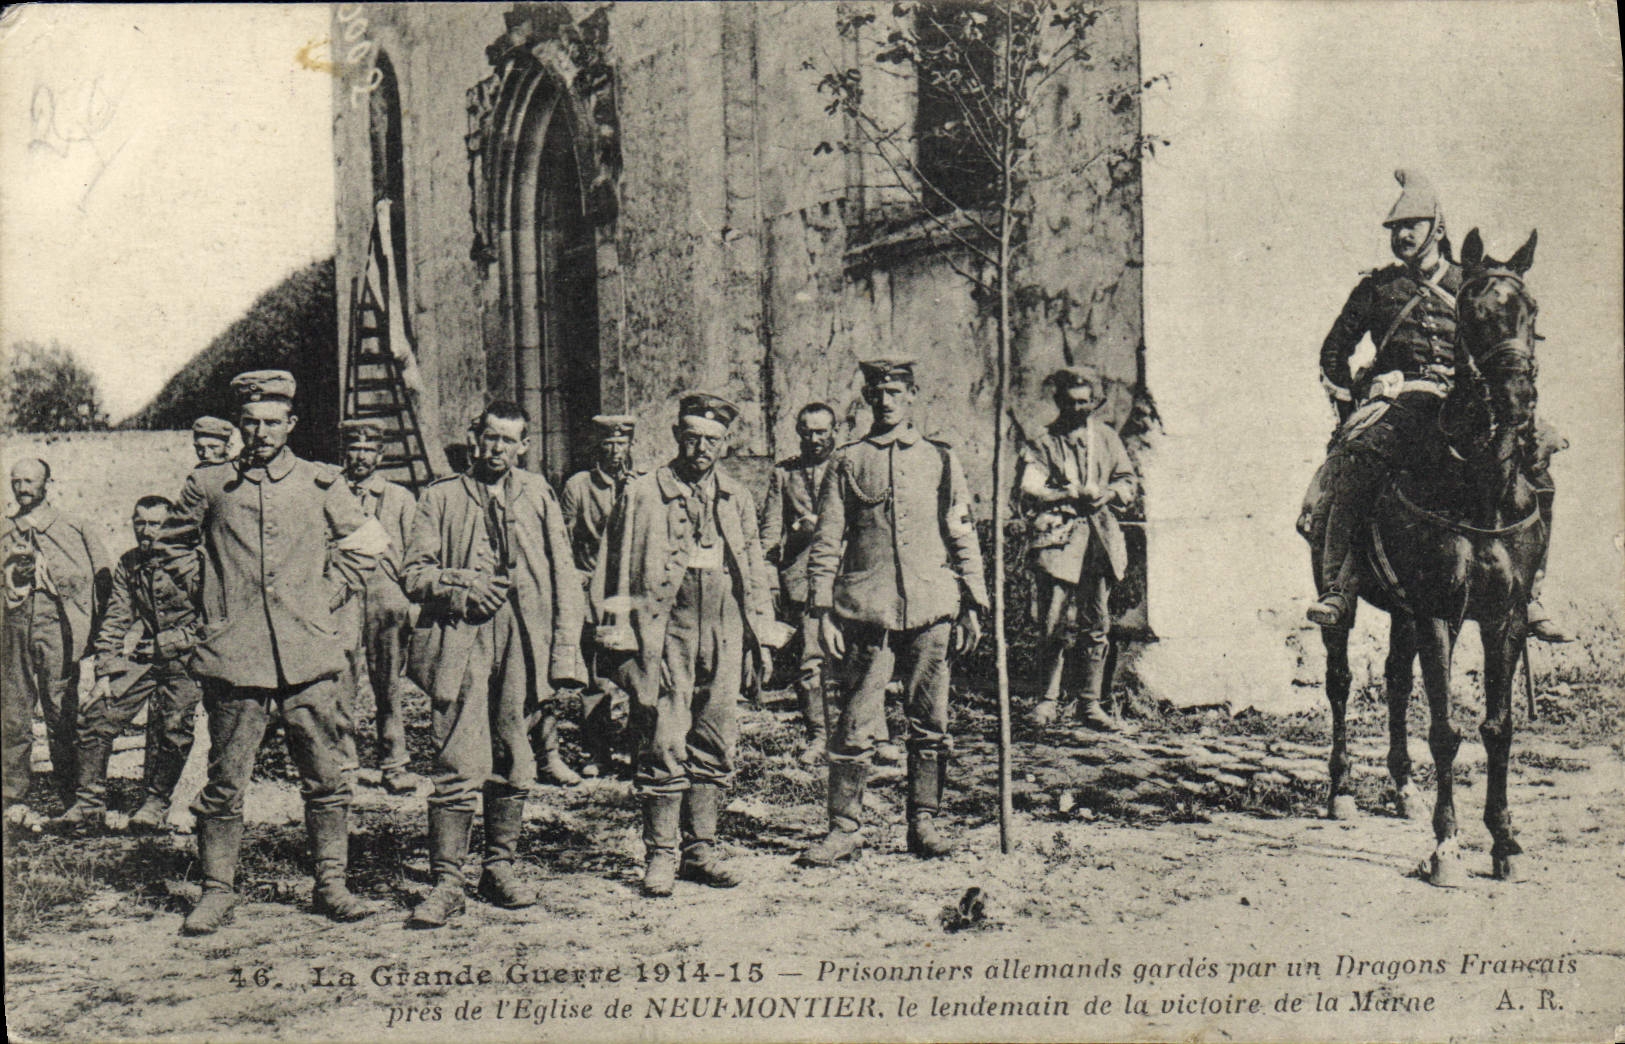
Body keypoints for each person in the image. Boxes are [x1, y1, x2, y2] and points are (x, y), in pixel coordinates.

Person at [165, 370, 390, 935]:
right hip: (235, 657)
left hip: (307, 654)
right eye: (251, 423)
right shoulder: (211, 485)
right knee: (225, 782)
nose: (261, 432)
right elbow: (171, 545)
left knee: (325, 774)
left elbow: (366, 543)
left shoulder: (319, 483)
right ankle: (217, 891)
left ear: (290, 425)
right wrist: (211, 598)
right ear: (239, 427)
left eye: (272, 423)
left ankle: (332, 885)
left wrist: (329, 594)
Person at [1309, 170, 1566, 640]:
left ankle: (1530, 593)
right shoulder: (1377, 289)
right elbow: (1332, 353)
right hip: (1404, 402)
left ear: (1438, 228)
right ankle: (1338, 586)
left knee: (1538, 468)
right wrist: (1358, 402)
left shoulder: (1470, 281)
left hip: (1472, 402)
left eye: (1414, 224)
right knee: (1356, 466)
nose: (1402, 235)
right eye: (1395, 227)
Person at [401, 401, 587, 927]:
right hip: (460, 638)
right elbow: (413, 573)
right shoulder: (439, 498)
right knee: (458, 758)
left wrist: (563, 655)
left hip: (523, 641)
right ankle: (447, 882)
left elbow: (564, 574)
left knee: (513, 752)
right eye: (490, 438)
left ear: (523, 446)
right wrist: (462, 588)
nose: (498, 449)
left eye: (509, 441)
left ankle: (499, 867)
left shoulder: (539, 494)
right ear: (474, 437)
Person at [799, 359, 988, 867]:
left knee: (930, 721)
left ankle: (922, 822)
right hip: (868, 610)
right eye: (877, 393)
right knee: (855, 723)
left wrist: (974, 601)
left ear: (913, 396)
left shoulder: (940, 460)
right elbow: (825, 541)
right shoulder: (847, 461)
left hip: (931, 608)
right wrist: (820, 610)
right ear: (865, 397)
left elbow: (962, 532)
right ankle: (844, 828)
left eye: (896, 393)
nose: (886, 402)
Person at [594, 393, 782, 897]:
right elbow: (615, 568)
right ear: (678, 436)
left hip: (722, 626)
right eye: (693, 437)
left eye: (713, 441)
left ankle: (700, 850)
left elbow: (754, 568)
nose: (701, 449)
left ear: (725, 445)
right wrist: (620, 637)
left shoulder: (736, 497)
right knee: (661, 734)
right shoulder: (642, 494)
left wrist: (760, 631)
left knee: (715, 736)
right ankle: (660, 855)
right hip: (665, 628)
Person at [66, 496, 204, 832]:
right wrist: (105, 671)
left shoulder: (195, 562)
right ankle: (89, 805)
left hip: (189, 658)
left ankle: (155, 802)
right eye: (139, 521)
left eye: (155, 523)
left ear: (171, 527)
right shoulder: (129, 563)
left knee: (175, 728)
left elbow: (211, 619)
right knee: (98, 712)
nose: (145, 530)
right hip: (146, 657)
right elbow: (116, 618)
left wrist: (167, 643)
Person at [1018, 366, 1139, 731]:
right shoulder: (1043, 441)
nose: (1079, 410)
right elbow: (1029, 486)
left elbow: (1127, 478)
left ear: (1095, 403)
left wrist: (1111, 492)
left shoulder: (1105, 438)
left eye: (1086, 403)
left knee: (1096, 620)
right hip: (1058, 538)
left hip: (1099, 537)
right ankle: (1047, 700)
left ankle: (1090, 702)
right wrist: (1064, 493)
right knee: (1053, 622)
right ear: (1059, 401)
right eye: (1071, 403)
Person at [2, 458, 110, 817]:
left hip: (57, 624)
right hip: (13, 624)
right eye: (16, 481)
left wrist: (96, 633)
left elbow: (103, 578)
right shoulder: (5, 528)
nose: (22, 487)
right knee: (13, 710)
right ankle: (12, 795)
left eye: (30, 480)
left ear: (48, 482)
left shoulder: (74, 526)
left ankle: (75, 795)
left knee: (61, 707)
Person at [337, 418, 420, 795]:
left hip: (387, 595)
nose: (360, 456)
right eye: (354, 448)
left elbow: (415, 551)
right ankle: (343, 762)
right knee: (341, 678)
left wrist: (410, 598)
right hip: (343, 594)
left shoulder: (399, 497)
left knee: (388, 683)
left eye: (368, 449)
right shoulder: (331, 492)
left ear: (381, 455)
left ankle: (394, 762)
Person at [560, 414, 640, 780]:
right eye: (608, 443)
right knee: (595, 678)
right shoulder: (578, 486)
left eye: (621, 443)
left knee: (638, 672)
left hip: (630, 593)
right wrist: (575, 577)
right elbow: (563, 540)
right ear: (598, 446)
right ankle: (597, 751)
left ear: (630, 446)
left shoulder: (640, 485)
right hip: (594, 590)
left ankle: (637, 748)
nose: (614, 450)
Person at [760, 402, 838, 764]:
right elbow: (770, 531)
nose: (815, 438)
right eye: (807, 431)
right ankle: (818, 735)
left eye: (822, 431)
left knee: (861, 658)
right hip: (803, 576)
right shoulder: (784, 474)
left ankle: (871, 733)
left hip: (848, 572)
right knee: (810, 659)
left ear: (835, 431)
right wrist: (770, 572)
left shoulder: (848, 465)